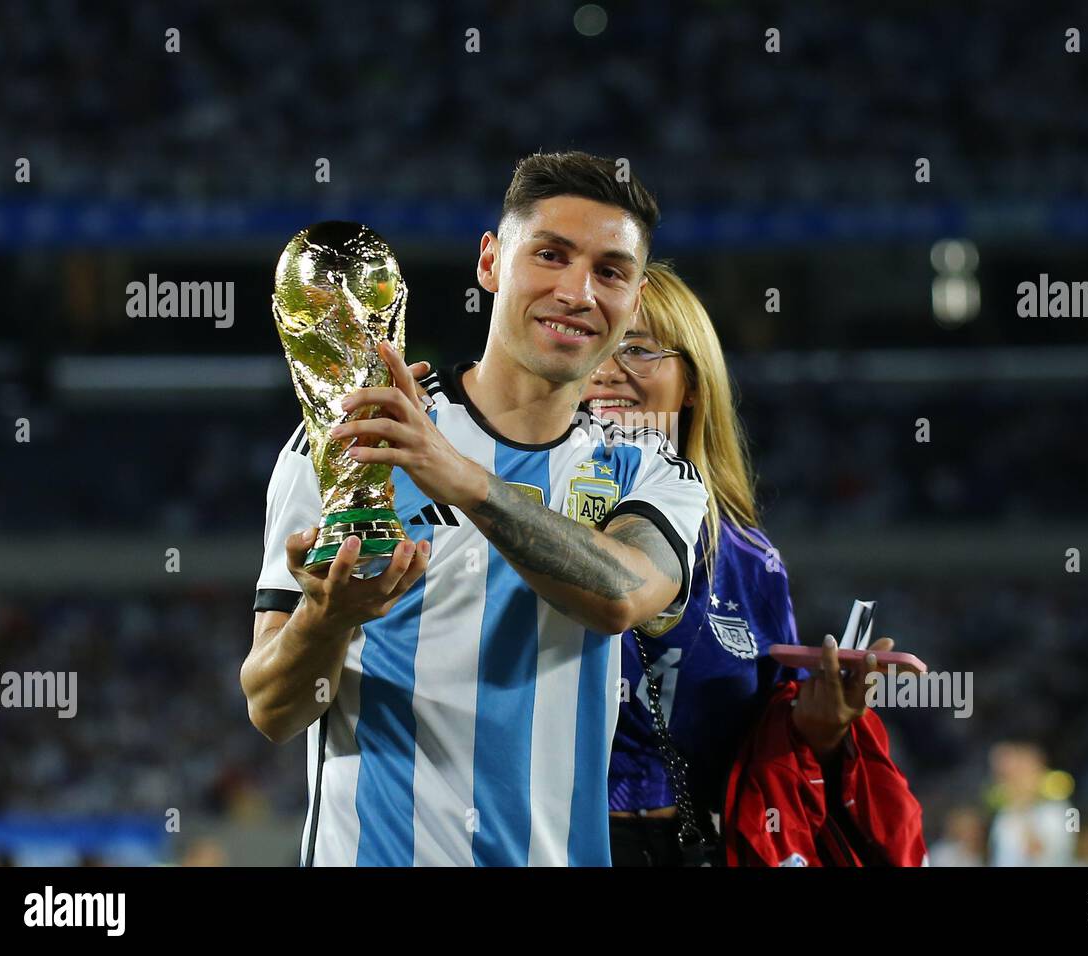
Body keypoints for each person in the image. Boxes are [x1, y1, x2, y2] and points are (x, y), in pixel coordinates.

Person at [241, 152, 708, 866]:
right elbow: (273, 708)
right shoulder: (351, 441)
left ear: (634, 301)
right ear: (491, 263)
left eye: (610, 271)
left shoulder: (648, 465)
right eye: (550, 255)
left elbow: (624, 594)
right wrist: (328, 617)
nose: (578, 291)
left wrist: (460, 477)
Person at [588, 262, 906, 866]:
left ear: (693, 384)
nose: (607, 371)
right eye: (594, 345)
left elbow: (771, 756)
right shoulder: (524, 522)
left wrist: (821, 728)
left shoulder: (749, 561)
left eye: (637, 348)